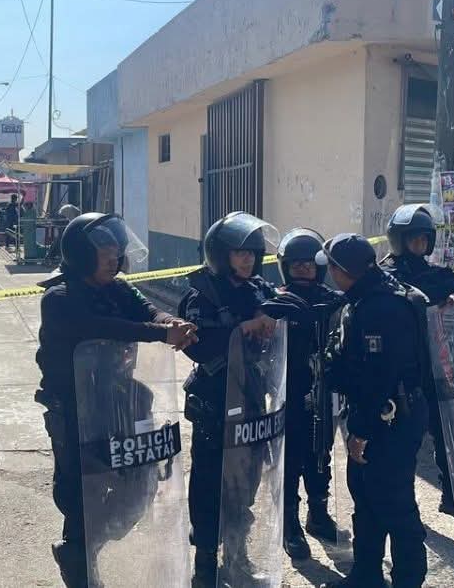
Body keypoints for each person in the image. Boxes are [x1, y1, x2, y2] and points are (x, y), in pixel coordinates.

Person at [35, 212, 197, 586]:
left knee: (140, 485)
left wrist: (170, 322)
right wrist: (159, 333)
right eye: (105, 252)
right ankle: (79, 561)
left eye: (117, 252)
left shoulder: (118, 288)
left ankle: (84, 547)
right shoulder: (59, 297)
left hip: (119, 402)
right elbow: (98, 327)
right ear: (80, 255)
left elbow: (147, 309)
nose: (114, 259)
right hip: (74, 409)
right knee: (82, 494)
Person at [318, 234, 429, 588]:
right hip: (380, 412)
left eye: (331, 268)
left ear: (340, 270)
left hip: (390, 417)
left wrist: (361, 432)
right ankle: (366, 575)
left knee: (394, 502)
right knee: (366, 498)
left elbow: (380, 377)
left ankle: (408, 580)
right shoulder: (370, 293)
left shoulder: (381, 307)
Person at [178, 211, 280, 587]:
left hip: (253, 400)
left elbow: (289, 319)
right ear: (221, 255)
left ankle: (237, 555)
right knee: (208, 483)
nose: (247, 259)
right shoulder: (201, 293)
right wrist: (243, 328)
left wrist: (273, 314)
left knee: (245, 482)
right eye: (238, 253)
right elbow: (198, 347)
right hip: (214, 401)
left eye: (251, 252)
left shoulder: (261, 290)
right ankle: (204, 562)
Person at [379, 204, 454, 516]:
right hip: (404, 368)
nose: (420, 245)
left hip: (439, 364)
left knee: (444, 428)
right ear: (399, 240)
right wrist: (451, 287)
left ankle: (452, 494)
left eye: (425, 239)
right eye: (414, 239)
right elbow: (414, 293)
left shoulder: (433, 271)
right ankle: (403, 504)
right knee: (405, 440)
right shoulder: (387, 274)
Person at [261, 228, 343, 562]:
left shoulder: (333, 298)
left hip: (324, 392)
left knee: (320, 456)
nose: (304, 270)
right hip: (288, 394)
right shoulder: (275, 300)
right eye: (297, 265)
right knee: (290, 459)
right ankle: (290, 524)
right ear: (285, 266)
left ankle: (318, 514)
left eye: (310, 265)